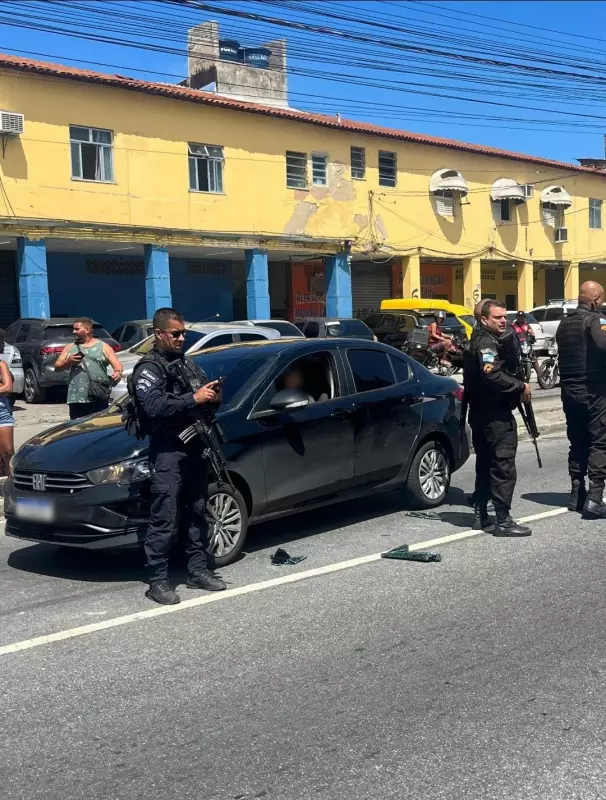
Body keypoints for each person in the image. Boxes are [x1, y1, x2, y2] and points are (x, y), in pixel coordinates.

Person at [131, 307, 226, 605]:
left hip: (195, 448)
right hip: (168, 451)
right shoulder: (149, 368)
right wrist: (192, 398)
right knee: (165, 515)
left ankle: (197, 570)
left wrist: (212, 395)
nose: (182, 338)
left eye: (184, 333)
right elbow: (153, 407)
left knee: (197, 510)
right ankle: (158, 581)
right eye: (176, 333)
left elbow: (203, 398)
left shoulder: (188, 365)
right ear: (159, 334)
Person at [463, 299, 532, 536]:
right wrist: (519, 386)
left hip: (482, 414)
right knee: (502, 467)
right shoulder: (486, 343)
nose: (503, 321)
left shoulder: (480, 338)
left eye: (504, 316)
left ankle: (481, 515)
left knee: (485, 465)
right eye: (497, 317)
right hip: (494, 416)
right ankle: (503, 520)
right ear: (484, 319)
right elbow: (491, 376)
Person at [555, 280, 606, 517]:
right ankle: (596, 498)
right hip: (593, 390)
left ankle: (577, 493)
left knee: (577, 441)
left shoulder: (564, 323)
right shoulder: (595, 319)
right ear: (595, 300)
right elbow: (602, 344)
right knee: (599, 441)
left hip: (569, 391)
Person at [55, 318, 123, 420]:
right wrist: (68, 361)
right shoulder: (70, 347)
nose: (74, 332)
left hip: (97, 396)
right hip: (76, 398)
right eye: (74, 329)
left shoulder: (103, 346)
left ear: (87, 330)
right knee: (77, 428)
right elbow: (57, 367)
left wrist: (118, 373)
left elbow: (117, 365)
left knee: (97, 426)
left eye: (77, 329)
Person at [511, 311, 540, 376]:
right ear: (516, 317)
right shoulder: (513, 325)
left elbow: (531, 332)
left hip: (526, 343)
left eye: (522, 317)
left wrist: (533, 337)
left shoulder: (526, 325)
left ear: (524, 317)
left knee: (534, 357)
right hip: (517, 344)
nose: (520, 318)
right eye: (519, 316)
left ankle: (540, 375)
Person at [0, 354, 14, 476]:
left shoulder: (1, 364)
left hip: (2, 412)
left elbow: (8, 387)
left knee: (8, 451)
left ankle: (9, 481)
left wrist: (2, 386)